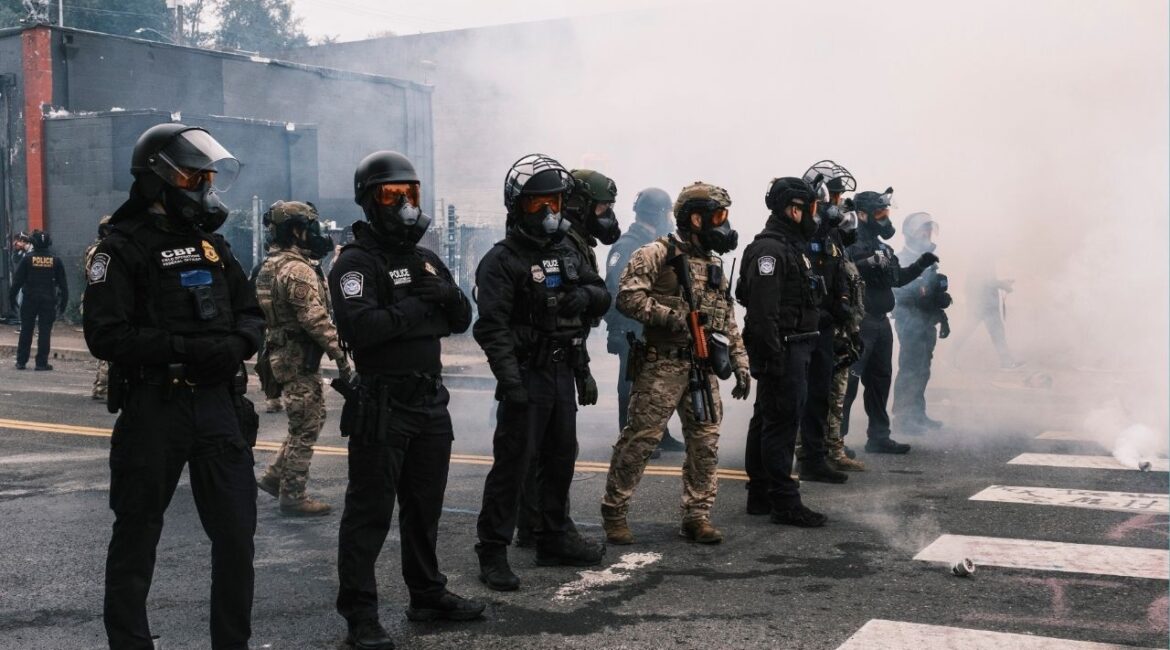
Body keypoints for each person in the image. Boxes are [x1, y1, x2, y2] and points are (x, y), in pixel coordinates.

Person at [84, 122, 263, 650]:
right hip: (155, 406)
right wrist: (183, 348)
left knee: (236, 536)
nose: (204, 188)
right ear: (156, 180)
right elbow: (105, 335)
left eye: (208, 178)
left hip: (217, 405)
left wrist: (238, 344)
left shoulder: (213, 247)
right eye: (192, 177)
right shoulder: (120, 249)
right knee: (137, 533)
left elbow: (251, 312)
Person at [330, 151, 485, 649]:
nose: (405, 204)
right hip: (383, 405)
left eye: (411, 193)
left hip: (429, 402)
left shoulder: (424, 257)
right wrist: (421, 305)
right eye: (392, 194)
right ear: (369, 200)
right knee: (369, 515)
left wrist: (442, 296)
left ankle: (427, 594)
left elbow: (460, 319)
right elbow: (363, 329)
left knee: (424, 508)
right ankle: (360, 616)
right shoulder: (355, 263)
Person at [473, 153, 610, 591]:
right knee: (512, 466)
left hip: (562, 370)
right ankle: (492, 551)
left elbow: (601, 292)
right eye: (538, 203)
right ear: (518, 206)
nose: (549, 212)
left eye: (555, 202)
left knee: (560, 459)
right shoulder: (501, 261)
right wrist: (510, 380)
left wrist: (584, 298)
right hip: (527, 374)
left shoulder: (566, 249)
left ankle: (554, 537)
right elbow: (491, 328)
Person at [600, 181, 750, 546]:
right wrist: (673, 317)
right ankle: (615, 512)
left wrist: (740, 361)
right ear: (695, 219)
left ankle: (697, 516)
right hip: (662, 365)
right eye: (717, 217)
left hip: (702, 367)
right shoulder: (656, 253)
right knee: (640, 441)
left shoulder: (713, 265)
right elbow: (627, 298)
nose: (723, 224)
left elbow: (727, 318)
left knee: (705, 443)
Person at [514, 167, 618, 547]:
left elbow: (594, 296)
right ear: (581, 205)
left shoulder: (573, 242)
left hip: (561, 358)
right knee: (543, 451)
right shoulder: (563, 244)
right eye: (602, 207)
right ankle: (540, 527)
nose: (607, 216)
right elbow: (556, 318)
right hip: (539, 362)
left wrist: (580, 366)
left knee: (553, 449)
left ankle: (541, 525)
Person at [738, 177, 834, 525]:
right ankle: (783, 501)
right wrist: (774, 356)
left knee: (768, 419)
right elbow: (763, 313)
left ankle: (761, 494)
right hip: (784, 349)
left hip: (793, 346)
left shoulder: (791, 247)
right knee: (780, 423)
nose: (814, 216)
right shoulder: (771, 251)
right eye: (810, 209)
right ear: (793, 210)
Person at [254, 200, 353, 516]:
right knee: (306, 425)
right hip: (296, 358)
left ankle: (274, 476)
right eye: (310, 227)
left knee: (311, 417)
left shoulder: (272, 264)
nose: (316, 233)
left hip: (285, 354)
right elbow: (315, 319)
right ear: (296, 231)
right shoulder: (296, 269)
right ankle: (293, 494)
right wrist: (343, 359)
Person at [842, 189, 938, 454]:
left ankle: (879, 437)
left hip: (881, 323)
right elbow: (841, 273)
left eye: (886, 212)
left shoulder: (883, 247)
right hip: (859, 323)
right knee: (848, 384)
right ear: (862, 215)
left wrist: (920, 265)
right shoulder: (849, 243)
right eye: (879, 213)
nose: (884, 218)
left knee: (880, 381)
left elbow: (897, 278)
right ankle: (835, 441)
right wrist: (867, 263)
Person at [604, 187, 687, 458]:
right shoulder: (628, 245)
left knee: (655, 384)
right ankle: (631, 440)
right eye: (667, 214)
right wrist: (618, 328)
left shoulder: (656, 243)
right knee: (631, 384)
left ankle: (658, 434)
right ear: (658, 214)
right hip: (631, 326)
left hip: (650, 324)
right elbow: (615, 289)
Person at [892, 212, 952, 435]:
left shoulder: (928, 260)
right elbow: (897, 291)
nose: (926, 234)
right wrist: (918, 296)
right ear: (910, 233)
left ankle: (917, 414)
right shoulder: (901, 259)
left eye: (929, 230)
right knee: (910, 368)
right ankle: (903, 418)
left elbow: (932, 292)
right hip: (909, 321)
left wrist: (942, 313)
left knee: (923, 369)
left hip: (926, 321)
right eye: (922, 230)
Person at [9, 230, 67, 370]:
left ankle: (21, 361)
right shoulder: (55, 260)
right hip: (48, 301)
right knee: (45, 332)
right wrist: (63, 304)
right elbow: (63, 285)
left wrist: (12, 299)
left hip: (29, 300)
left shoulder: (27, 259)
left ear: (33, 243)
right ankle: (41, 363)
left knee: (26, 330)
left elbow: (17, 282)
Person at [950, 259, 1022, 369]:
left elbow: (985, 280)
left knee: (969, 330)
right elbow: (988, 281)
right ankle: (1007, 362)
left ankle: (948, 357)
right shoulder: (985, 257)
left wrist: (1001, 283)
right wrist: (1003, 284)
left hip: (980, 302)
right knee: (997, 332)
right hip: (985, 304)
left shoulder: (980, 259)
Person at [84, 216, 114, 398]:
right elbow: (97, 278)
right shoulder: (101, 250)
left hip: (100, 300)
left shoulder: (99, 248)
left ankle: (100, 386)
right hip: (103, 301)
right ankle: (102, 387)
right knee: (107, 344)